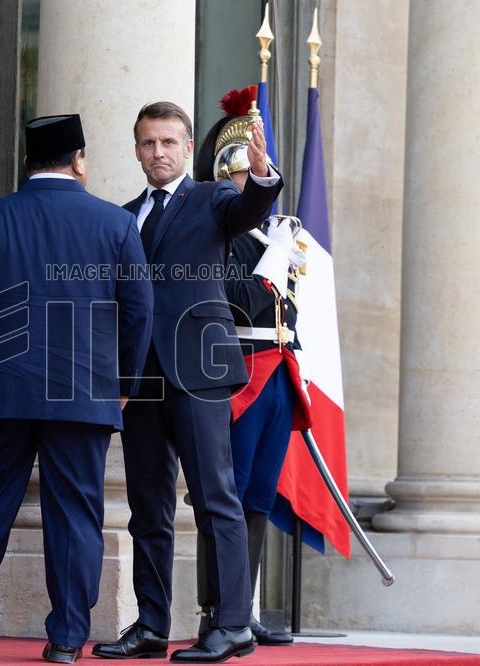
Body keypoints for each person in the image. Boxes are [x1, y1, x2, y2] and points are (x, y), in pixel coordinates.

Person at [0, 114, 153, 664]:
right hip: (82, 392)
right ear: (78, 159)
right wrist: (123, 382)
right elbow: (139, 310)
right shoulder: (114, 223)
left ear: (29, 161)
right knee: (76, 512)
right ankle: (65, 639)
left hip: (1, 388)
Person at [91, 102, 282, 663]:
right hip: (142, 380)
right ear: (136, 150)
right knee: (148, 505)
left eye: (170, 143)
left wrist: (262, 175)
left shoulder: (212, 197)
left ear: (184, 145)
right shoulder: (125, 216)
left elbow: (249, 209)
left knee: (214, 499)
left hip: (199, 370)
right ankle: (151, 625)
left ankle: (233, 625)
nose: (159, 153)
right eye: (149, 144)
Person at [193, 85, 313, 648]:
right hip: (238, 370)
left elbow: (290, 308)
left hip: (278, 372)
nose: (253, 183)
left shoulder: (275, 236)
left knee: (260, 496)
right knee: (227, 495)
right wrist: (271, 263)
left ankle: (248, 606)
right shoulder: (221, 233)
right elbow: (236, 299)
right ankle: (216, 608)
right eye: (244, 172)